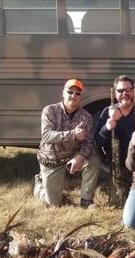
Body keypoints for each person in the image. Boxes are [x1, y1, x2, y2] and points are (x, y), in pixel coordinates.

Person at [33, 79, 100, 208]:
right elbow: (47, 136)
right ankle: (39, 185)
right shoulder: (50, 111)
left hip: (72, 156)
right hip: (52, 159)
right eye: (70, 92)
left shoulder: (86, 117)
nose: (73, 96)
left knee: (94, 160)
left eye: (77, 93)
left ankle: (86, 200)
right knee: (54, 204)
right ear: (63, 93)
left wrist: (80, 157)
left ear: (80, 96)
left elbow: (89, 143)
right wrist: (73, 134)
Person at [95, 75, 135, 202]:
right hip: (116, 163)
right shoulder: (107, 112)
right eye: (120, 91)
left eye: (128, 90)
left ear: (134, 91)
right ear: (114, 92)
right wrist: (107, 127)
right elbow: (98, 141)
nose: (125, 93)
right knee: (117, 201)